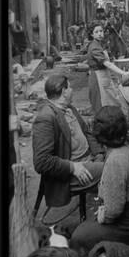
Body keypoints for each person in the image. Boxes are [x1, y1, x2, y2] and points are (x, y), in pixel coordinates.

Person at [70, 106, 129, 256]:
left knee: (79, 236)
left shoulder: (116, 160)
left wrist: (103, 215)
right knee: (83, 226)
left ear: (100, 134)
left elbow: (114, 211)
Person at [32, 75, 105, 209]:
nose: (72, 90)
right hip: (68, 174)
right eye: (70, 87)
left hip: (89, 158)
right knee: (114, 170)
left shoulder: (69, 108)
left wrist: (98, 152)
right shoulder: (45, 118)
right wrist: (72, 167)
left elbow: (87, 132)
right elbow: (41, 162)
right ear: (64, 91)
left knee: (119, 157)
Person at [86, 22, 128, 114]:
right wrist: (123, 73)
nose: (100, 33)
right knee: (101, 105)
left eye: (101, 31)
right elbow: (107, 64)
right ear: (92, 34)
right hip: (98, 78)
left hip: (104, 76)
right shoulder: (94, 47)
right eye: (96, 32)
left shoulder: (100, 44)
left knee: (111, 102)